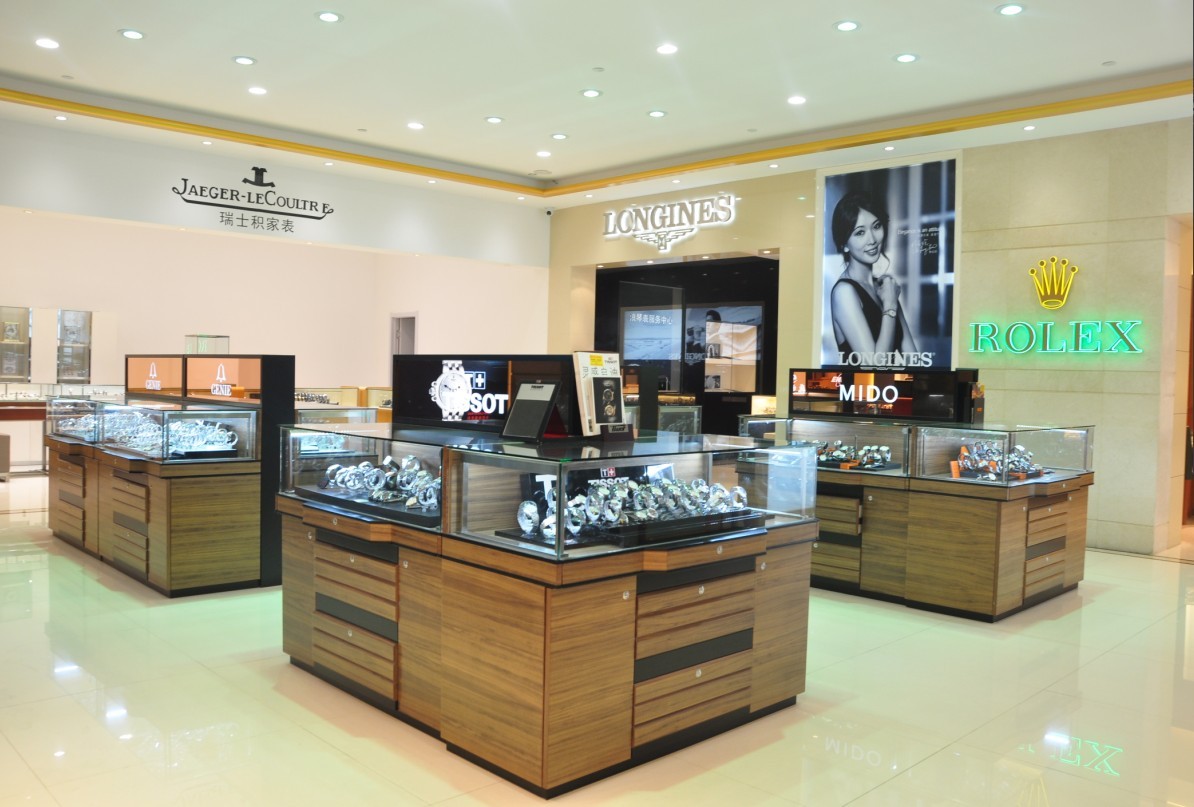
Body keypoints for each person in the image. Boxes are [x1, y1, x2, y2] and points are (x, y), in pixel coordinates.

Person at [829, 191, 918, 357]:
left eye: (876, 226)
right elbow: (874, 365)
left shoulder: (885, 287)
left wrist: (891, 302)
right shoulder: (844, 292)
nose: (872, 240)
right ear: (844, 244)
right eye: (860, 232)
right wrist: (890, 305)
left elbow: (914, 358)